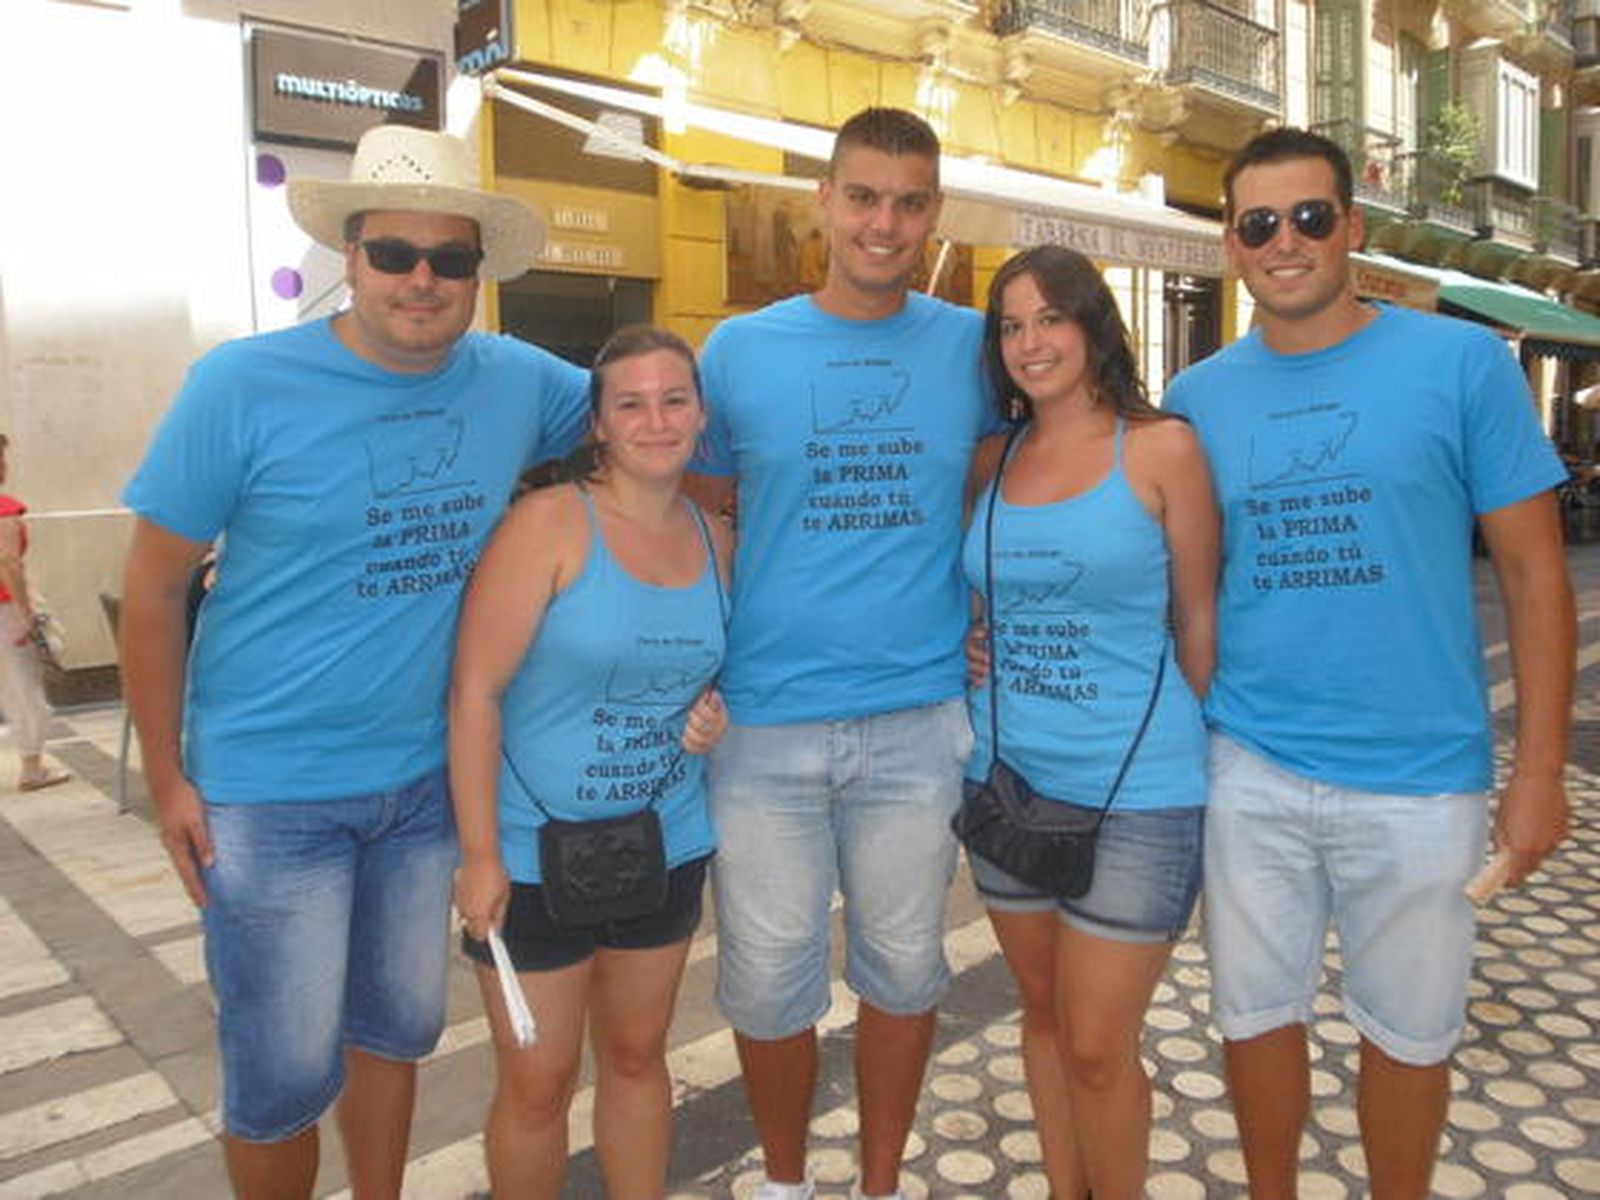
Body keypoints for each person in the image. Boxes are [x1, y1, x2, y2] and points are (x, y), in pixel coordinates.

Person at [118, 125, 589, 1200]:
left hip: (426, 788)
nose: (422, 280)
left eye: (451, 259)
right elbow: (149, 588)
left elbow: (657, 418)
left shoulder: (515, 380)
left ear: (479, 271)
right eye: (394, 254)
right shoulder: (240, 384)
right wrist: (168, 780)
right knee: (280, 1076)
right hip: (268, 793)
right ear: (351, 254)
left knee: (394, 1036)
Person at [1163, 127, 1576, 1200]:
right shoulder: (1197, 397)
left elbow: (1536, 577)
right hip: (1247, 763)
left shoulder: (1462, 363)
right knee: (1253, 1016)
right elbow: (1166, 575)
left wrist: (1535, 774)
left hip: (1422, 775)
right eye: (1259, 224)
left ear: (1350, 226)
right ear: (1232, 244)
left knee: (1411, 1033)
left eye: (1308, 217)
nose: (1284, 242)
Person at [688, 107, 996, 1200]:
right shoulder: (740, 351)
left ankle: (876, 1182)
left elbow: (996, 493)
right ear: (822, 200)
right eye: (863, 196)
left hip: (918, 722)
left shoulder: (970, 345)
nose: (884, 221)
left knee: (905, 973)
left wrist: (985, 610)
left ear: (934, 215)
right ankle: (781, 1181)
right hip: (762, 723)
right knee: (768, 983)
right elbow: (709, 511)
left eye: (909, 201)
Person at [450, 325, 731, 1200]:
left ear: (700, 414)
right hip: (534, 856)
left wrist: (708, 717)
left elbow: (699, 670)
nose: (656, 420)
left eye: (673, 399)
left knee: (640, 1058)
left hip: (665, 842)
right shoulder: (547, 525)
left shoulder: (717, 537)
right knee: (538, 1086)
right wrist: (481, 855)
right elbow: (474, 695)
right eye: (631, 404)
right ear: (598, 426)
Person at [962, 245, 1218, 1200]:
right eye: (1011, 325)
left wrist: (1182, 734)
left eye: (1050, 318)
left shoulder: (1161, 448)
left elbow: (1197, 617)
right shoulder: (991, 458)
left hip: (1139, 793)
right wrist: (970, 644)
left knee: (1100, 1042)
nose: (1030, 343)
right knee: (1038, 1013)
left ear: (1092, 326)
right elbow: (982, 598)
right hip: (1003, 781)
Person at [0, 434, 70, 792]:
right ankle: (32, 765)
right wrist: (27, 615)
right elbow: (9, 562)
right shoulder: (5, 509)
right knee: (23, 686)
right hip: (5, 608)